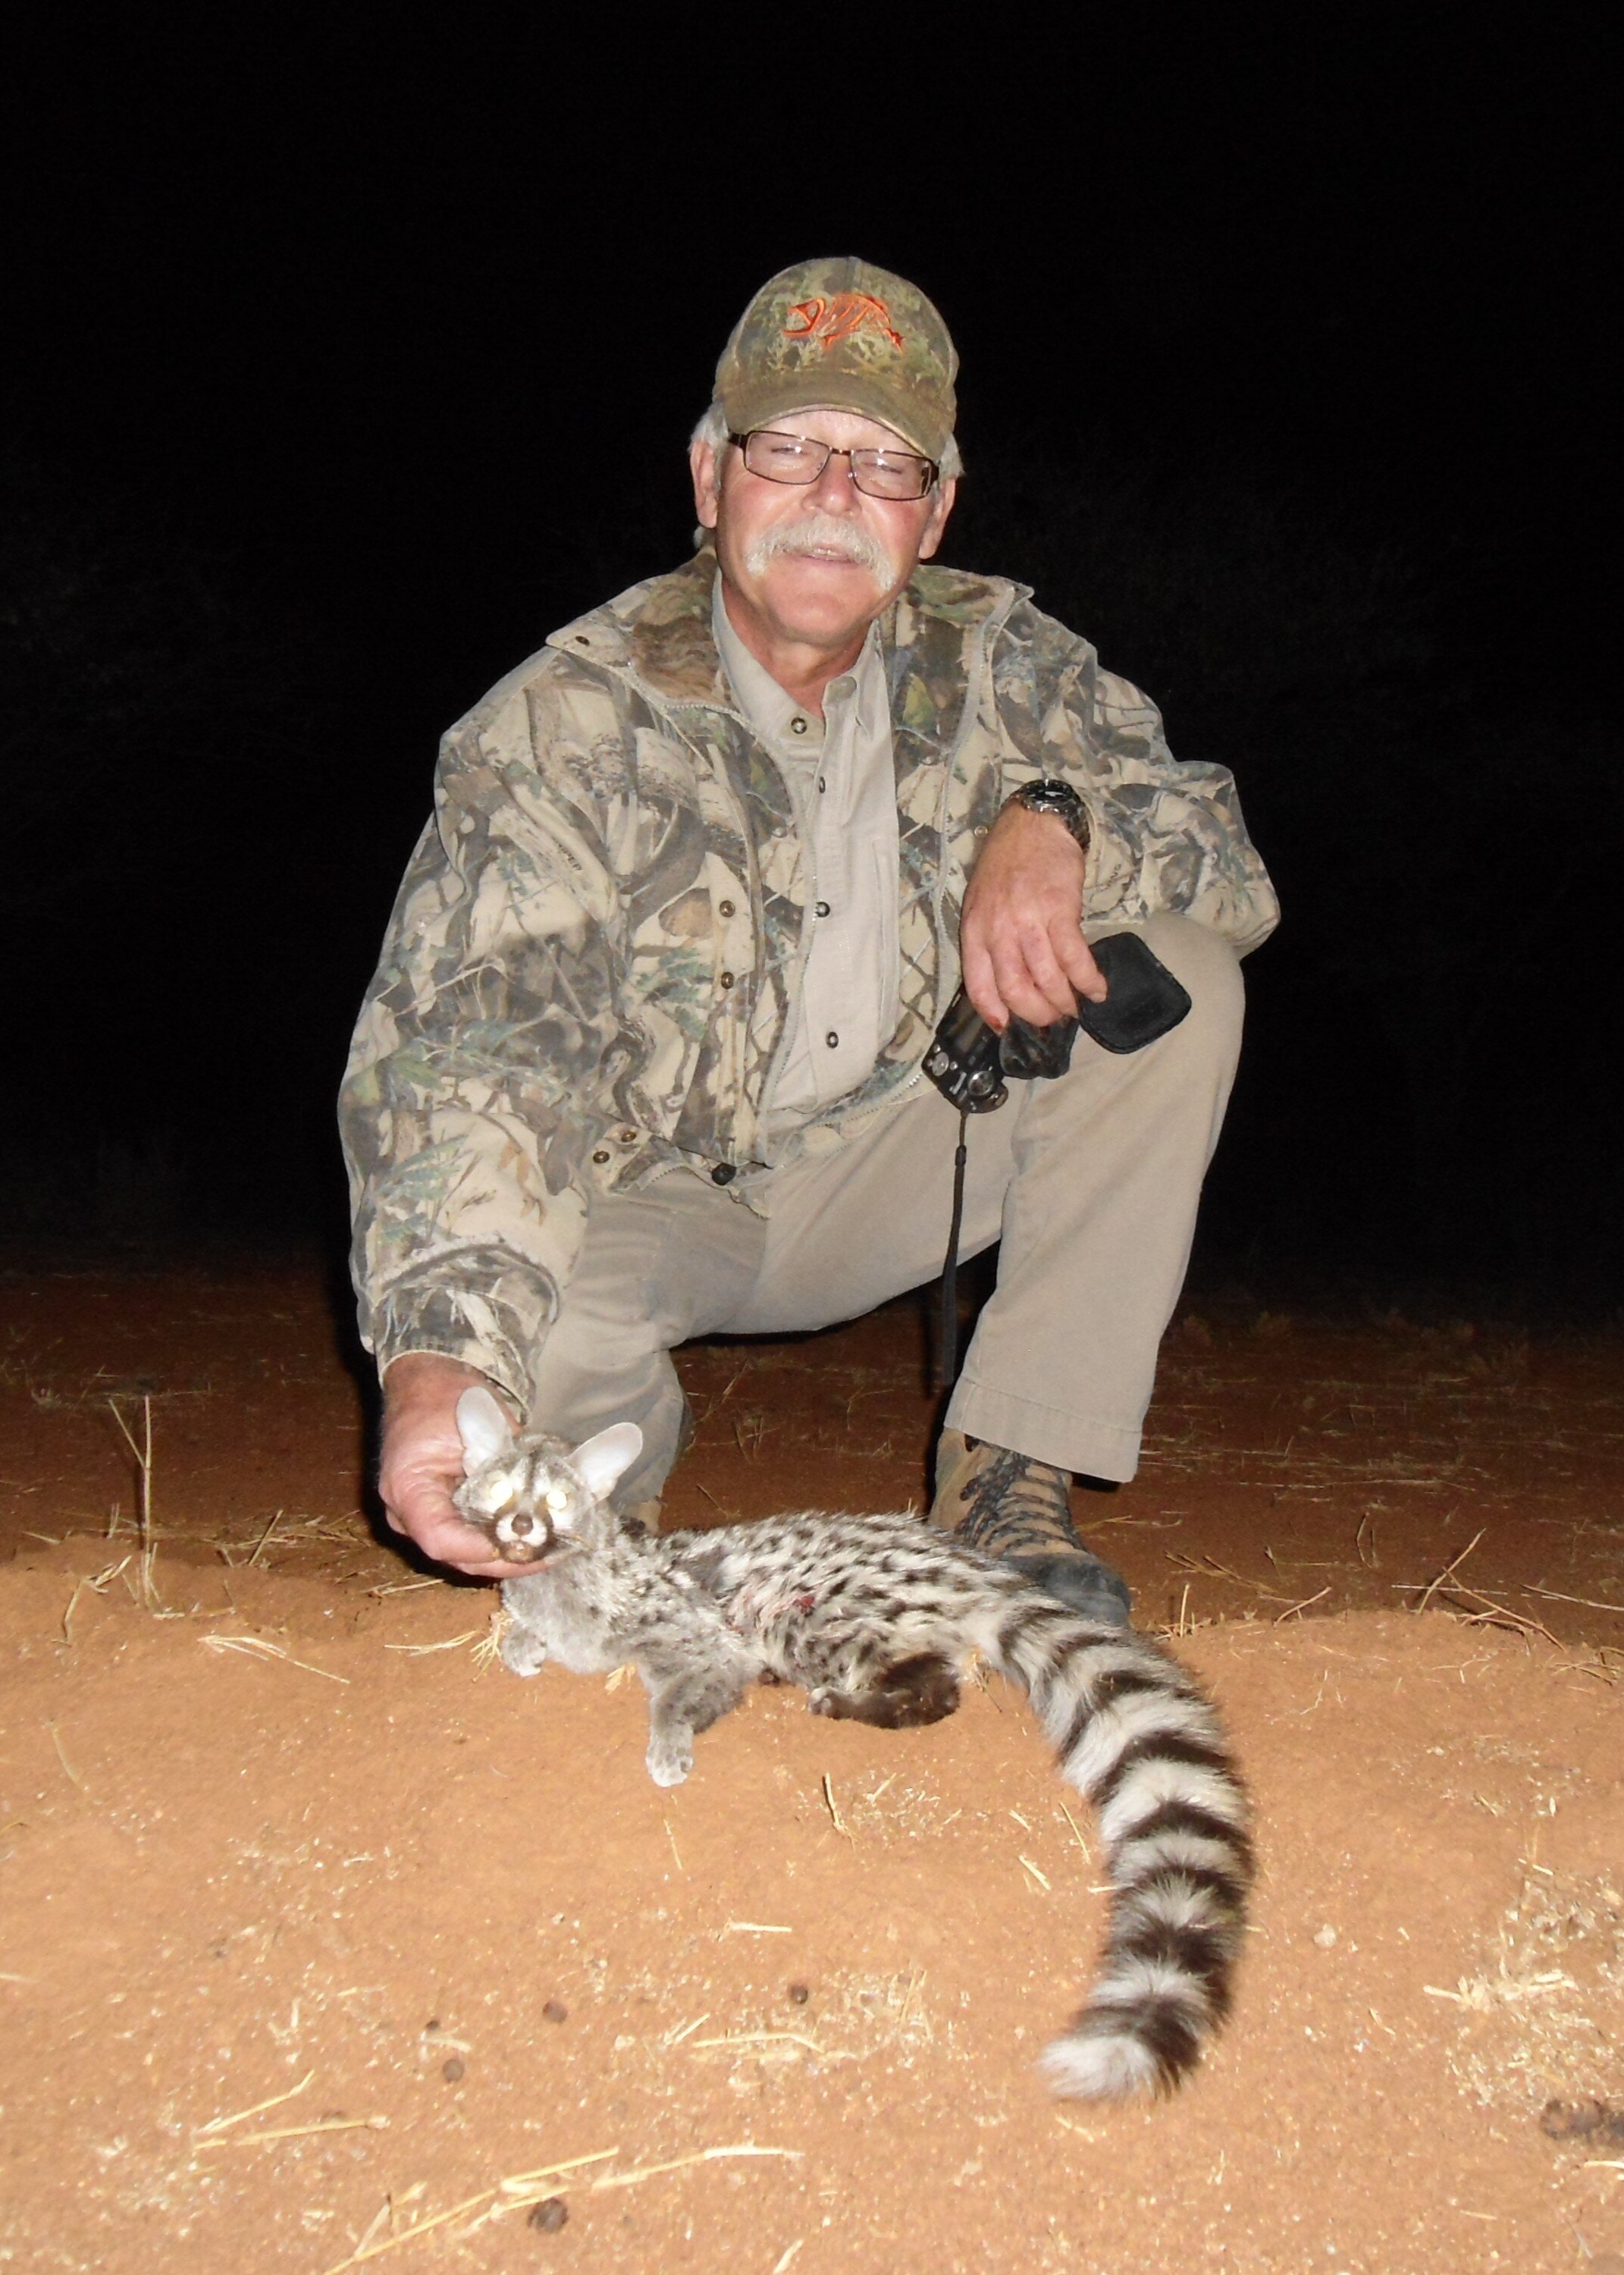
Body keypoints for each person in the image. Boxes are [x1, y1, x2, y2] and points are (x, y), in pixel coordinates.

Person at [339, 256, 1278, 1627]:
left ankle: (1009, 1481)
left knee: (1178, 984)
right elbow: (472, 1056)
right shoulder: (560, 720)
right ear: (711, 480)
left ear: (936, 510)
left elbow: (1224, 856)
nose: (835, 493)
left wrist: (1059, 817)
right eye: (790, 449)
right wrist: (436, 1364)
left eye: (884, 461)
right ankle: (608, 1552)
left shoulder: (1012, 662)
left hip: (894, 1156)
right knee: (518, 1398)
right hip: (641, 1195)